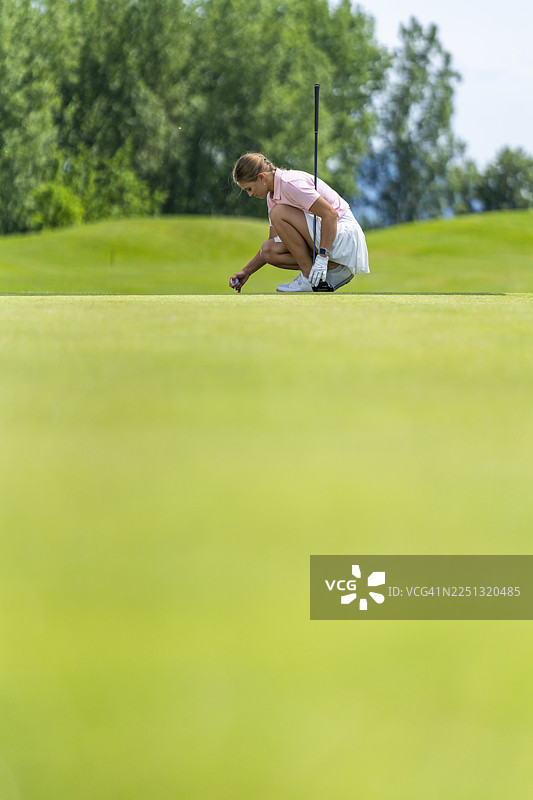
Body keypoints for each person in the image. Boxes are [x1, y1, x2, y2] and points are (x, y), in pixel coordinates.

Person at [229, 153, 369, 293]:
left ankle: (313, 276)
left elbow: (330, 215)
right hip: (327, 237)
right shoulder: (272, 197)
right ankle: (325, 273)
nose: (250, 194)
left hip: (344, 235)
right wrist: (247, 271)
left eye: (249, 189)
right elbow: (275, 242)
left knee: (278, 213)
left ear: (261, 177)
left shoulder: (290, 183)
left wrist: (322, 257)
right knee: (268, 250)